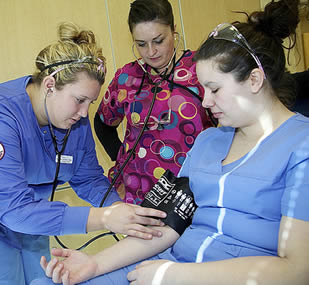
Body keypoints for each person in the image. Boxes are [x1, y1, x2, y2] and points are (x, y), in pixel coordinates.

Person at [31, 0, 309, 284]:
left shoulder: (301, 147)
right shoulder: (208, 142)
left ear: (254, 80)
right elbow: (169, 223)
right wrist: (93, 264)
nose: (205, 101)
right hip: (171, 261)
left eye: (213, 89)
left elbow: (297, 271)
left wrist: (173, 274)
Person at [0, 22, 168, 285]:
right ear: (49, 85)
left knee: (40, 279)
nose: (83, 113)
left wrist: (118, 209)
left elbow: (88, 178)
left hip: (34, 217)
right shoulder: (5, 116)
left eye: (90, 103)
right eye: (79, 100)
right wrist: (104, 219)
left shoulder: (74, 120)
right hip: (12, 211)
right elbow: (15, 210)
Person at [94, 0, 213, 205]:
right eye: (141, 44)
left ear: (174, 30)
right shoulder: (126, 77)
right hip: (135, 195)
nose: (151, 52)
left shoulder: (201, 69)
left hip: (191, 193)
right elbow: (102, 122)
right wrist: (122, 158)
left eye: (158, 40)